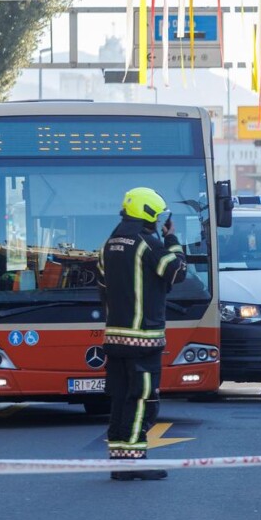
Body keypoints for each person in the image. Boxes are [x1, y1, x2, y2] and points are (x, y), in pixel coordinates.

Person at [97, 187, 187, 481]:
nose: (159, 221)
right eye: (158, 216)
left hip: (115, 338)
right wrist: (172, 239)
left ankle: (119, 462)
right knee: (142, 400)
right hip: (143, 338)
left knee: (121, 398)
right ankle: (135, 461)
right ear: (148, 212)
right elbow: (176, 272)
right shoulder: (147, 243)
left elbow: (102, 284)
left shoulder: (109, 243)